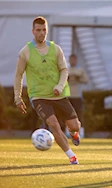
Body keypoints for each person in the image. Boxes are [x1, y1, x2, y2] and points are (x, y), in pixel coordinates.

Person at [14, 16, 81, 164]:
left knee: (75, 125)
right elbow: (18, 75)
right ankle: (71, 156)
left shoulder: (56, 49)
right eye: (38, 30)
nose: (41, 33)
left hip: (59, 95)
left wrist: (59, 86)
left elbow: (64, 70)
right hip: (39, 96)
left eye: (44, 30)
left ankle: (73, 133)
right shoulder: (25, 52)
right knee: (54, 124)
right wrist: (18, 98)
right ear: (33, 31)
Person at [67, 54, 89, 138]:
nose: (72, 61)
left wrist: (78, 78)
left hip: (77, 95)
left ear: (76, 60)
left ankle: (81, 132)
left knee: (79, 114)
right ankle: (68, 132)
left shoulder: (80, 70)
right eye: (71, 59)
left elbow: (86, 80)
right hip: (68, 95)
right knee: (68, 115)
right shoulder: (66, 69)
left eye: (74, 59)